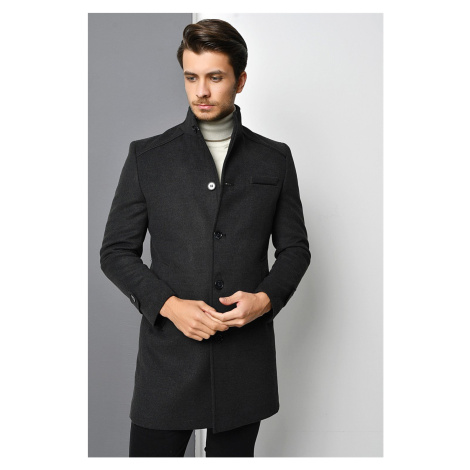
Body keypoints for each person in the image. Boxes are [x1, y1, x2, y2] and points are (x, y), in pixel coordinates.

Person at [100, 18, 311, 457]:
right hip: (168, 358)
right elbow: (116, 252)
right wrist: (168, 305)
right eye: (191, 77)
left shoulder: (274, 159)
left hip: (243, 359)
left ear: (240, 81)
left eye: (215, 77)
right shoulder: (148, 156)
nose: (201, 91)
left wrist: (265, 299)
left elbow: (295, 250)